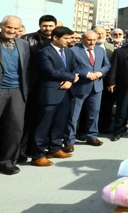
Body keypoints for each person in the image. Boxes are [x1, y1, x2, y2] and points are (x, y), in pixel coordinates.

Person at [30, 26, 79, 167]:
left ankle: (55, 148)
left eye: (70, 38)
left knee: (60, 122)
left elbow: (75, 68)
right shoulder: (44, 53)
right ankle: (38, 155)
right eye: (66, 38)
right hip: (50, 93)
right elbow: (49, 71)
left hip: (66, 92)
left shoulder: (68, 52)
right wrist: (71, 77)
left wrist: (70, 80)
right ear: (55, 38)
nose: (69, 41)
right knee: (43, 125)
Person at [64, 31, 111, 153]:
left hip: (97, 87)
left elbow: (107, 65)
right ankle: (69, 141)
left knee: (94, 113)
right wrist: (88, 74)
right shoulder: (73, 50)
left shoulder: (100, 50)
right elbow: (72, 67)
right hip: (80, 86)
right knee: (74, 115)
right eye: (89, 40)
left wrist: (101, 72)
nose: (92, 42)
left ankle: (92, 136)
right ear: (83, 39)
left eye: (94, 40)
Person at [20, 14, 57, 162]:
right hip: (33, 86)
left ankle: (38, 148)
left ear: (55, 26)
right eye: (44, 25)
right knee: (28, 120)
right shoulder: (27, 39)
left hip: (51, 87)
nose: (47, 28)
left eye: (50, 26)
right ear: (40, 25)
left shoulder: (58, 40)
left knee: (44, 121)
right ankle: (21, 151)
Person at [0, 16, 30, 175]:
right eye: (8, 27)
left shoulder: (23, 44)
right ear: (1, 26)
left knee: (15, 128)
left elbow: (27, 69)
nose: (11, 31)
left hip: (17, 91)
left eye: (15, 29)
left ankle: (7, 162)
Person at [93, 26, 116, 134]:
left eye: (103, 33)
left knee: (107, 105)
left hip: (107, 80)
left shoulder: (111, 47)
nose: (101, 36)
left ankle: (104, 127)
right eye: (98, 33)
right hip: (93, 79)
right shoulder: (88, 46)